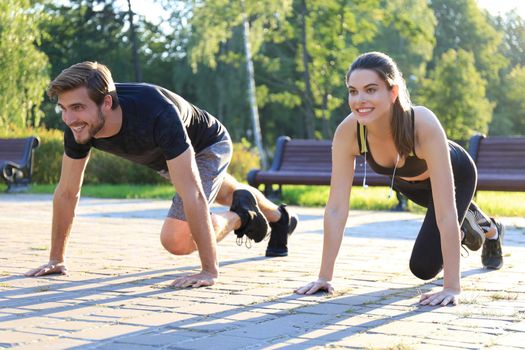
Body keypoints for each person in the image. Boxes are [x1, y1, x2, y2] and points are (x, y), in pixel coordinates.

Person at [24, 61, 298, 287]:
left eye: (78, 108)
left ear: (106, 103)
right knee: (228, 193)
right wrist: (56, 259)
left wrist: (209, 270)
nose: (69, 119)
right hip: (167, 157)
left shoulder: (155, 111)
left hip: (206, 144)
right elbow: (67, 191)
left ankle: (241, 216)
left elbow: (193, 193)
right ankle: (280, 217)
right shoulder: (79, 127)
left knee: (176, 239)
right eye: (64, 108)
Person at [295, 52, 504, 306]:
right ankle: (469, 217)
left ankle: (491, 229)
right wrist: (324, 277)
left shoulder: (422, 123)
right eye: (353, 91)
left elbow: (446, 214)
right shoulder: (349, 132)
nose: (359, 100)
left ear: (392, 92)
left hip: (456, 178)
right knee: (439, 236)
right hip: (409, 184)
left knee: (423, 267)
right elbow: (337, 208)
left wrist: (452, 287)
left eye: (371, 90)